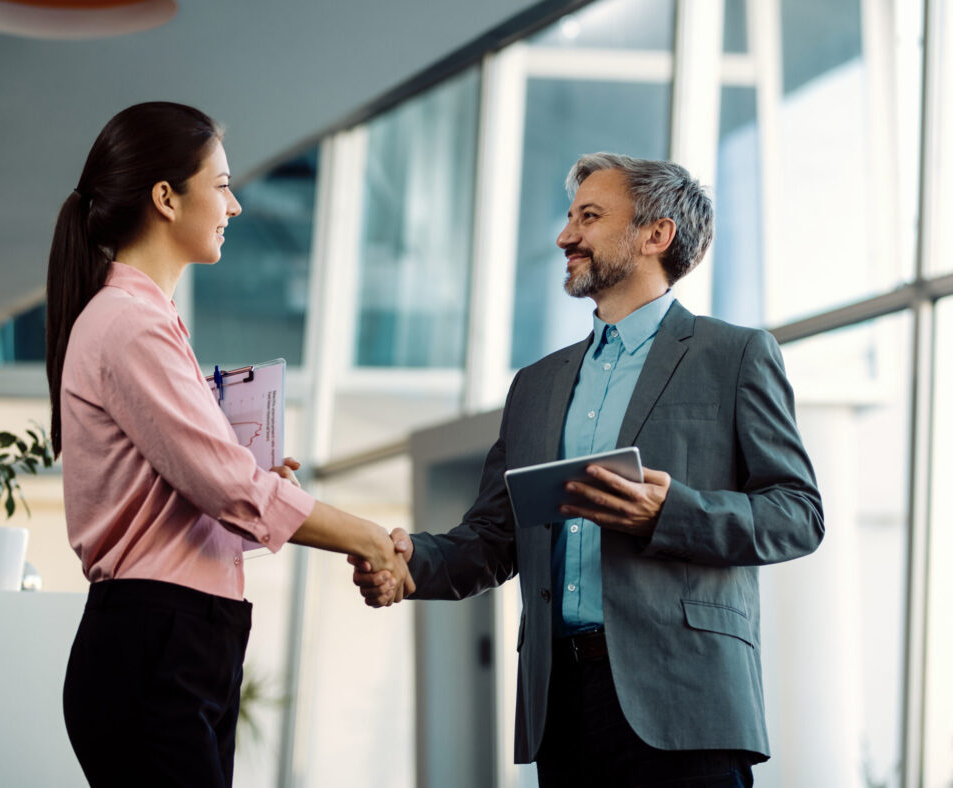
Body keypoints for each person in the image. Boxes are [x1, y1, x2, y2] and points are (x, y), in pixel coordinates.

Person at [352, 153, 824, 786]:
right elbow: (495, 535)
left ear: (658, 235)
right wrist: (410, 566)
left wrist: (670, 512)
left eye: (589, 217)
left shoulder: (734, 355)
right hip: (562, 704)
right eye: (570, 217)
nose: (565, 236)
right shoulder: (535, 385)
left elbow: (797, 514)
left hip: (688, 700)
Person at [46, 101, 413, 788]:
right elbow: (231, 490)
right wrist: (368, 538)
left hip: (179, 640)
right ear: (165, 197)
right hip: (157, 642)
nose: (235, 205)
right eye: (219, 184)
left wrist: (252, 478)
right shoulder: (129, 324)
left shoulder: (145, 320)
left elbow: (213, 493)